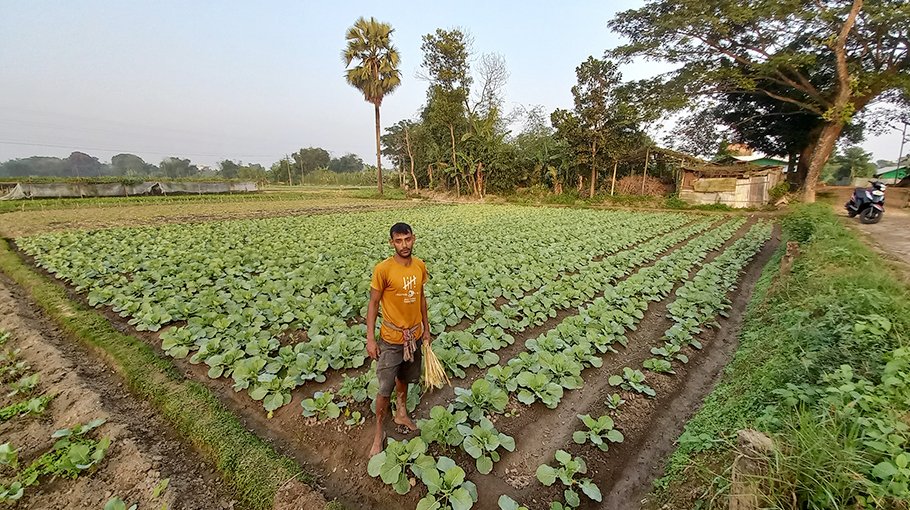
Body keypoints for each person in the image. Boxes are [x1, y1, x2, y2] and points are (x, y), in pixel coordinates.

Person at [366, 222, 432, 457]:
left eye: (407, 239)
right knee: (384, 389)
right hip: (391, 338)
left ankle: (401, 413)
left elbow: (421, 298)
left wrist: (426, 328)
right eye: (399, 241)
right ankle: (378, 432)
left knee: (404, 378)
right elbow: (373, 304)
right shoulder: (383, 269)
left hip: (413, 337)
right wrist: (370, 339)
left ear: (414, 238)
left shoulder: (419, 267)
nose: (404, 245)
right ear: (391, 242)